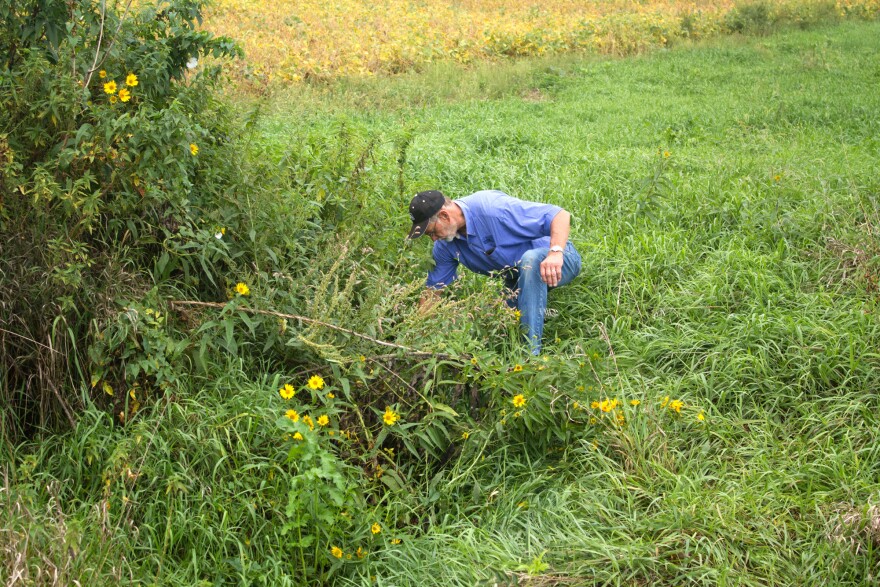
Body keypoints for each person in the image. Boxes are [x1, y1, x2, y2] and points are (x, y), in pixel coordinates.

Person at [407, 189, 581, 355]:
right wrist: (416, 330)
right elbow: (433, 290)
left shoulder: (492, 208)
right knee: (490, 318)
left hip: (558, 260)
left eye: (432, 232)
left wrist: (556, 252)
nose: (434, 239)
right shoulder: (445, 246)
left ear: (444, 216)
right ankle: (541, 312)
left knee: (531, 260)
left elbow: (559, 215)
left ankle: (530, 355)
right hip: (516, 279)